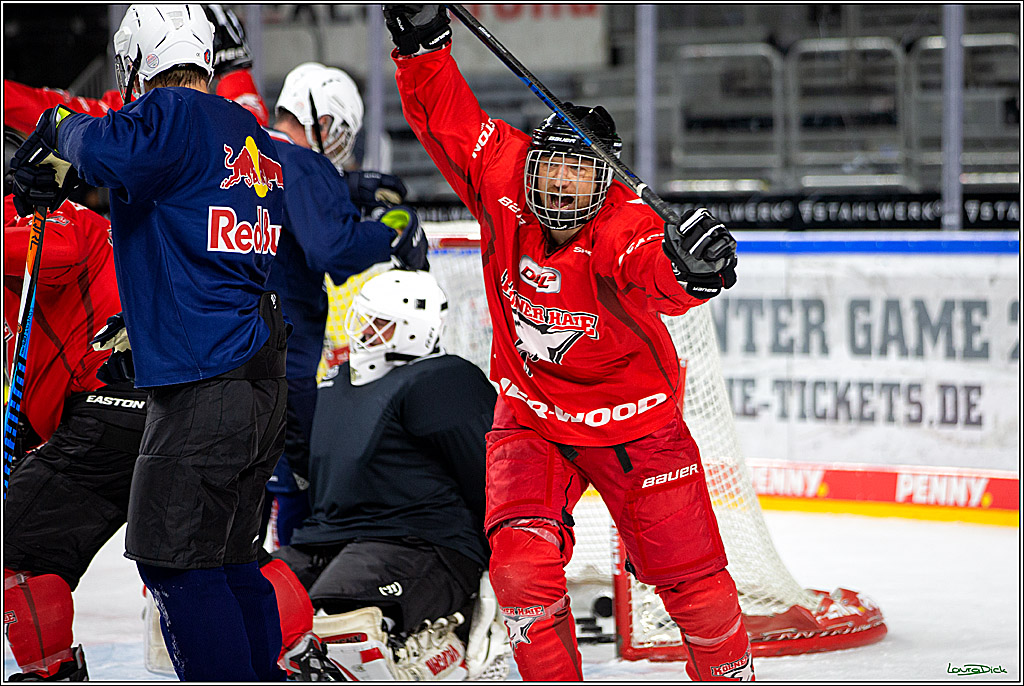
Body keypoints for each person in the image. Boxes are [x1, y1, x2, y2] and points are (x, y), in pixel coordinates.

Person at [384, 5, 752, 681]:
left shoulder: (625, 226)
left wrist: (691, 270)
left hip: (636, 428)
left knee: (695, 589)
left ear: (607, 180)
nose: (559, 184)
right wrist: (421, 44)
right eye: (551, 168)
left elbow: (655, 270)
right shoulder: (502, 176)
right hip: (531, 421)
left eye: (579, 173)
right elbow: (449, 119)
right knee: (521, 573)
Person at [8, 5, 289, 680]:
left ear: (135, 62)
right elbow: (169, 193)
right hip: (257, 383)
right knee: (231, 561)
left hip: (204, 387)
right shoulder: (247, 134)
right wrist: (66, 178)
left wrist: (54, 128)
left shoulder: (171, 115)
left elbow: (107, 146)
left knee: (176, 564)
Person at [271, 269, 509, 680]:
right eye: (361, 319)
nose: (363, 331)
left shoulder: (443, 379)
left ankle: (441, 642)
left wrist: (501, 561)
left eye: (378, 323)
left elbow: (490, 478)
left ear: (415, 331)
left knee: (339, 625)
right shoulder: (335, 382)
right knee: (250, 606)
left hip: (420, 541)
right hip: (328, 539)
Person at [258, 61, 416, 551]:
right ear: (321, 122)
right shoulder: (308, 164)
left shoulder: (247, 151)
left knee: (246, 490)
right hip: (285, 357)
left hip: (229, 349)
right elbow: (330, 249)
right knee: (304, 489)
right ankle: (297, 598)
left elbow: (285, 195)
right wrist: (389, 232)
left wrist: (349, 187)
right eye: (340, 131)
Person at [2, 188, 149, 681]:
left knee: (14, 551)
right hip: (157, 411)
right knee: (208, 562)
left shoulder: (52, 215)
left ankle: (53, 672)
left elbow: (54, 249)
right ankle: (297, 652)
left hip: (113, 412)